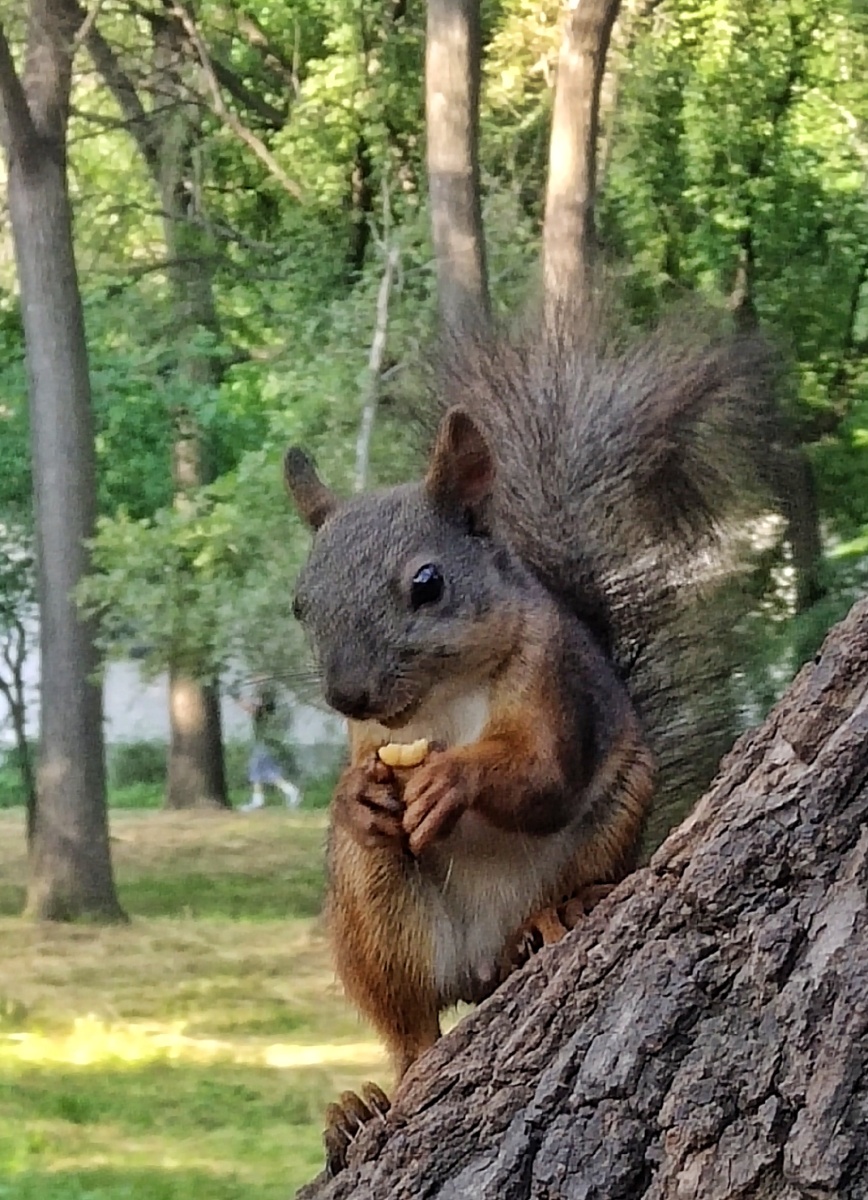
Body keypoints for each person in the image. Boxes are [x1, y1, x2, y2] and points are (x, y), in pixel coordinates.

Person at [236, 680, 301, 812]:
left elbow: (250, 708)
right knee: (262, 772)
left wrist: (236, 696)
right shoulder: (269, 706)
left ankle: (287, 792)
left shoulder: (264, 708)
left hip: (263, 744)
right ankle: (263, 799)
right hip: (265, 744)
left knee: (261, 771)